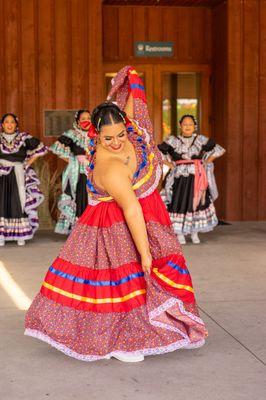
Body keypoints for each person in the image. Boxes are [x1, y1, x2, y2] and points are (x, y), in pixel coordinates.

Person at [25, 67, 208, 363]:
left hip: (137, 218)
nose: (116, 142)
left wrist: (131, 78)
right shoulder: (109, 167)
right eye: (108, 138)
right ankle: (121, 341)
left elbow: (132, 106)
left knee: (135, 281)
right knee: (120, 283)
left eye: (120, 133)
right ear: (97, 134)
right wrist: (146, 253)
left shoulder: (131, 131)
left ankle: (143, 326)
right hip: (112, 227)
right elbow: (132, 208)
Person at [158, 115, 225, 244]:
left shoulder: (201, 139)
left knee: (197, 202)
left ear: (194, 126)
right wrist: (170, 164)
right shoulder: (172, 140)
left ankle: (194, 232)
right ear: (180, 126)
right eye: (185, 124)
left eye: (190, 124)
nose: (187, 126)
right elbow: (157, 152)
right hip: (179, 178)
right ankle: (179, 234)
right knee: (179, 202)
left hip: (197, 176)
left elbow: (218, 149)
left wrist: (206, 162)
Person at [0, 113, 48, 246]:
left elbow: (40, 148)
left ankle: (20, 234)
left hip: (19, 173)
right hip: (2, 175)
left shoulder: (24, 138)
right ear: (2, 125)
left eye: (12, 122)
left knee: (19, 201)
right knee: (2, 202)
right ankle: (1, 235)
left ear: (16, 125)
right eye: (6, 122)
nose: (9, 124)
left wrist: (27, 163)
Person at [50, 110, 91, 234]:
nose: (86, 120)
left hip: (94, 171)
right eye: (83, 118)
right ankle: (78, 230)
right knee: (79, 197)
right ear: (78, 121)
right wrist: (73, 160)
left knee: (92, 198)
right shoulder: (71, 134)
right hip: (78, 172)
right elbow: (56, 148)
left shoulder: (96, 134)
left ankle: (91, 229)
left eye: (89, 118)